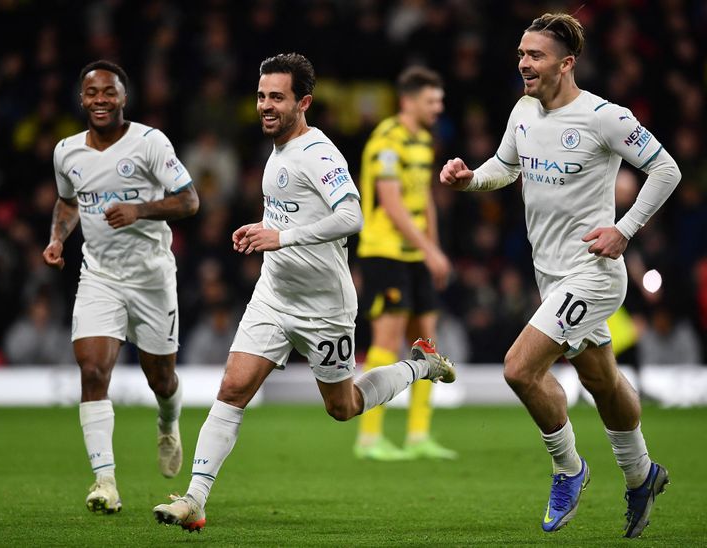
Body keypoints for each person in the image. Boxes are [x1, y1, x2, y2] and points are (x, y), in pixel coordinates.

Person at [152, 53, 456, 531]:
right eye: (260, 96)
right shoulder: (276, 152)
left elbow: (352, 216)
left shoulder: (318, 152)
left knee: (343, 407)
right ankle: (195, 498)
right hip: (275, 295)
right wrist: (265, 227)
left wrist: (281, 237)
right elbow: (292, 215)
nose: (265, 105)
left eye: (277, 97)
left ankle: (419, 364)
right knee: (232, 388)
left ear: (304, 102)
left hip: (324, 308)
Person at [440, 13, 680, 539]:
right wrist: (469, 179)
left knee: (519, 368)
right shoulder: (524, 110)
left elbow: (667, 169)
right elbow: (506, 168)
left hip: (592, 272)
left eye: (536, 55)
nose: (524, 63)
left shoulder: (604, 117)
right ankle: (642, 475)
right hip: (549, 275)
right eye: (522, 53)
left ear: (566, 64)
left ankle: (569, 469)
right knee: (601, 380)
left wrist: (625, 229)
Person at [42, 60, 199, 514]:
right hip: (100, 277)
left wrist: (140, 210)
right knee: (92, 371)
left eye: (109, 92)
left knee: (161, 378)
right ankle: (105, 482)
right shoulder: (67, 152)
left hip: (151, 278)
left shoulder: (150, 143)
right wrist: (57, 238)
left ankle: (168, 423)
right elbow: (68, 202)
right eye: (92, 93)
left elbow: (190, 200)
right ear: (82, 99)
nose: (101, 100)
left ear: (123, 97)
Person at [355, 66, 455, 461]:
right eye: (432, 101)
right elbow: (392, 204)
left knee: (426, 341)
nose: (438, 107)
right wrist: (430, 251)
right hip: (384, 251)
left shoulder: (422, 141)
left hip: (414, 254)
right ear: (408, 101)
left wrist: (434, 248)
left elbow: (424, 198)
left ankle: (417, 435)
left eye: (440, 100)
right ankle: (369, 437)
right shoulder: (387, 140)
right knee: (386, 340)